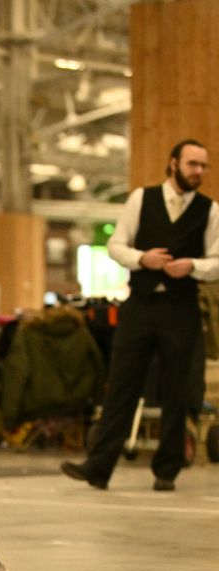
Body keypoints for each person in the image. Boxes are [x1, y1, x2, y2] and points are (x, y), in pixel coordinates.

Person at [62, 139, 219, 492]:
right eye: (193, 164)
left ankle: (167, 469)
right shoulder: (140, 199)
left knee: (178, 388)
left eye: (204, 166)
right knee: (122, 384)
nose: (200, 172)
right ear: (173, 163)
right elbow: (116, 245)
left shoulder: (211, 211)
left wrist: (193, 265)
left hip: (182, 308)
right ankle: (98, 467)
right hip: (140, 306)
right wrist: (142, 259)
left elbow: (217, 261)